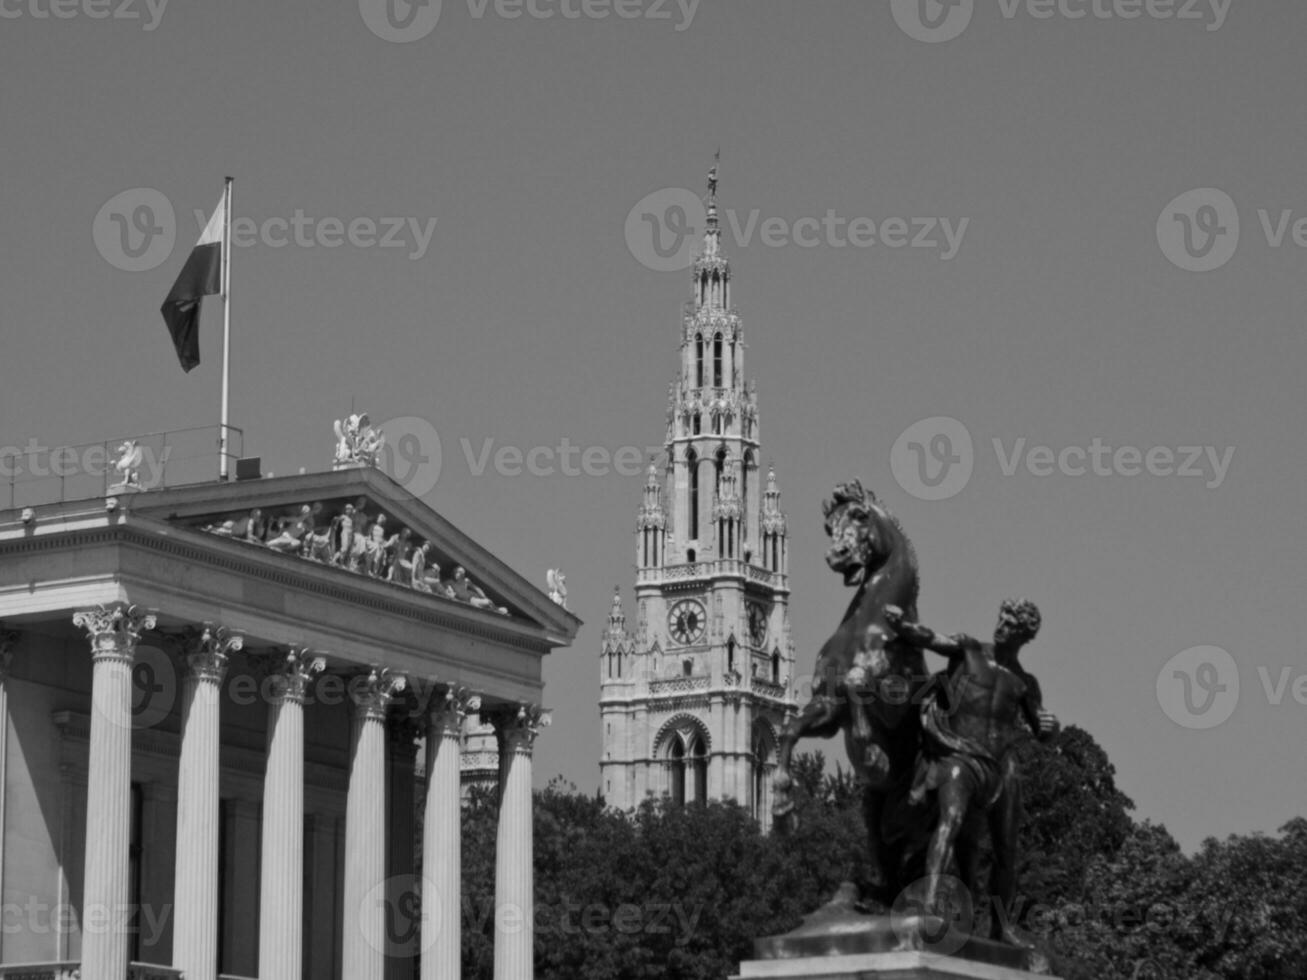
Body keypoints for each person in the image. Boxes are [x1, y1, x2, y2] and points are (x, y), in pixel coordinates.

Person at [884, 599, 1059, 945]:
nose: (1002, 626)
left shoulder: (1024, 682)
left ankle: (1001, 926)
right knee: (949, 822)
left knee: (1007, 849)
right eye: (1002, 619)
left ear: (1024, 636)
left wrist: (1052, 727)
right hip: (960, 753)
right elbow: (933, 638)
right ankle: (929, 904)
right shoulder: (969, 650)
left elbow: (1043, 731)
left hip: (1001, 764)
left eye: (1011, 625)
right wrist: (904, 626)